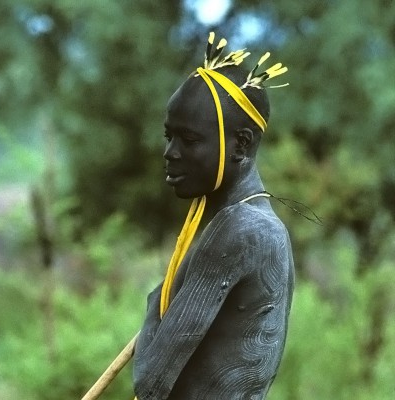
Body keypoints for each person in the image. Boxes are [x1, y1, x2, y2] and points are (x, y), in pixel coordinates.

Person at [133, 32, 295, 400]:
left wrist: (157, 300)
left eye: (189, 140)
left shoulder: (239, 231)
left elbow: (150, 383)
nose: (170, 152)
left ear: (241, 143)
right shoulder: (266, 226)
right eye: (169, 136)